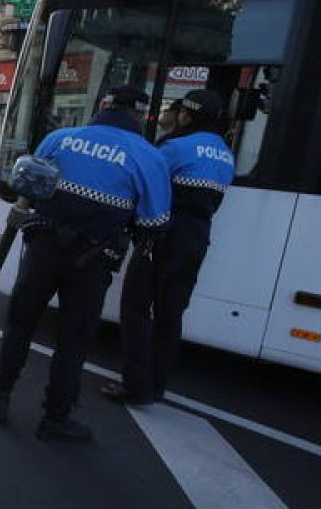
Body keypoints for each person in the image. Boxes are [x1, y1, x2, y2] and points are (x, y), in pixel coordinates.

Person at [0, 84, 171, 441]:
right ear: (139, 116)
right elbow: (154, 223)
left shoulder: (59, 138)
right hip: (93, 260)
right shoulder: (148, 156)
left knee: (20, 323)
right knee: (73, 339)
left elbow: (29, 188)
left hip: (41, 248)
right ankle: (55, 417)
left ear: (102, 106)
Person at [102, 89, 235, 405]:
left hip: (163, 234)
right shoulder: (226, 152)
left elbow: (147, 184)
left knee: (136, 306)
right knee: (171, 313)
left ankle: (134, 384)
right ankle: (157, 385)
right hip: (198, 237)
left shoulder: (174, 147)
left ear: (186, 114)